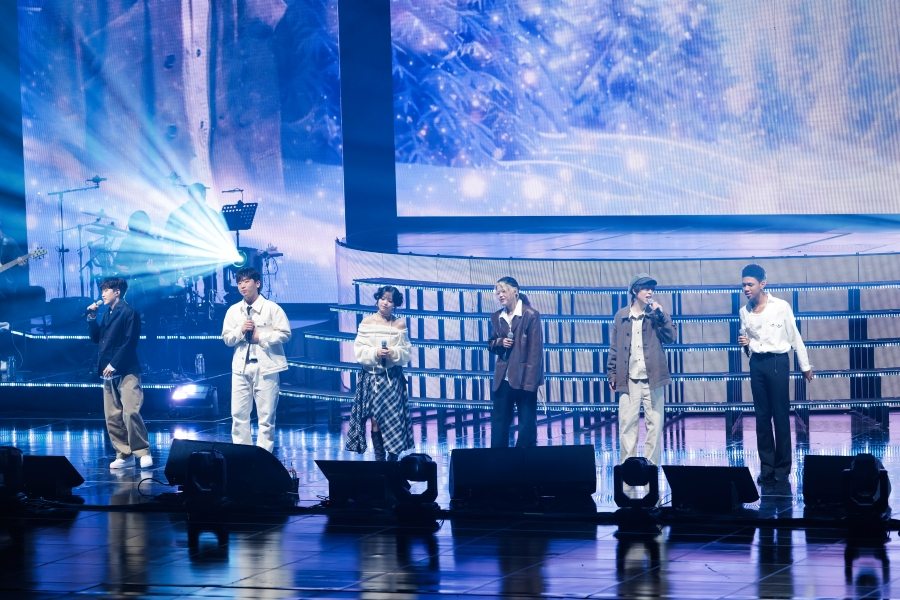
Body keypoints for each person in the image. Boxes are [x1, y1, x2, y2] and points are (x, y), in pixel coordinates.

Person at [738, 264, 813, 484]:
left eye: (750, 284)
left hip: (778, 362)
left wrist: (805, 365)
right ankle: (767, 466)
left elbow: (794, 335)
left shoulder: (780, 306)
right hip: (756, 363)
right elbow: (748, 344)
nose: (746, 289)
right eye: (743, 285)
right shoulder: (744, 311)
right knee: (761, 416)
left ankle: (782, 467)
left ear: (762, 284)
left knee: (780, 415)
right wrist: (745, 344)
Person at [607, 273, 677, 467]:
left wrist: (661, 315)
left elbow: (672, 337)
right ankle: (628, 469)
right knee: (627, 425)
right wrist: (612, 373)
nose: (650, 292)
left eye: (652, 289)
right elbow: (614, 347)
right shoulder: (621, 315)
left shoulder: (656, 315)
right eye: (646, 288)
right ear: (634, 291)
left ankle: (651, 469)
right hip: (628, 378)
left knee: (654, 425)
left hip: (653, 378)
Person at [221, 267, 291, 453]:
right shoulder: (234, 311)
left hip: (266, 367)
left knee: (266, 417)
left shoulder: (272, 308)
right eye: (239, 283)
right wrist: (241, 330)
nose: (242, 286)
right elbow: (227, 338)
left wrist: (261, 337)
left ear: (257, 283)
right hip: (241, 368)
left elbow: (285, 334)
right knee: (238, 415)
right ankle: (242, 456)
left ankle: (263, 457)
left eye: (246, 281)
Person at [86, 277, 152, 469]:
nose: (102, 294)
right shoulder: (107, 314)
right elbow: (97, 338)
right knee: (112, 416)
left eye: (106, 290)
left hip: (126, 369)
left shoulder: (129, 312)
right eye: (102, 290)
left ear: (117, 292)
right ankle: (124, 454)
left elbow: (130, 342)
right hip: (107, 372)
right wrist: (92, 319)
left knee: (130, 412)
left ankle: (142, 451)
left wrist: (114, 364)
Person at [346, 286, 413, 461]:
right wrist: (375, 352)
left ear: (395, 304)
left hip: (392, 378)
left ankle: (393, 460)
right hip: (372, 377)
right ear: (377, 299)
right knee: (375, 419)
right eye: (383, 298)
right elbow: (359, 349)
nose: (385, 303)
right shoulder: (367, 322)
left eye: (390, 300)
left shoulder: (399, 324)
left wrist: (393, 352)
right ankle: (380, 459)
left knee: (393, 419)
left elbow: (406, 352)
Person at [488, 277, 543, 448]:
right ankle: (498, 460)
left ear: (515, 291)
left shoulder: (530, 315)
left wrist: (530, 383)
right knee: (499, 423)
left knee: (526, 424)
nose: (500, 295)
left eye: (503, 291)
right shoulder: (497, 317)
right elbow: (490, 343)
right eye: (498, 292)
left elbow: (535, 353)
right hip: (502, 378)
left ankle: (524, 460)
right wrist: (500, 342)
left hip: (524, 378)